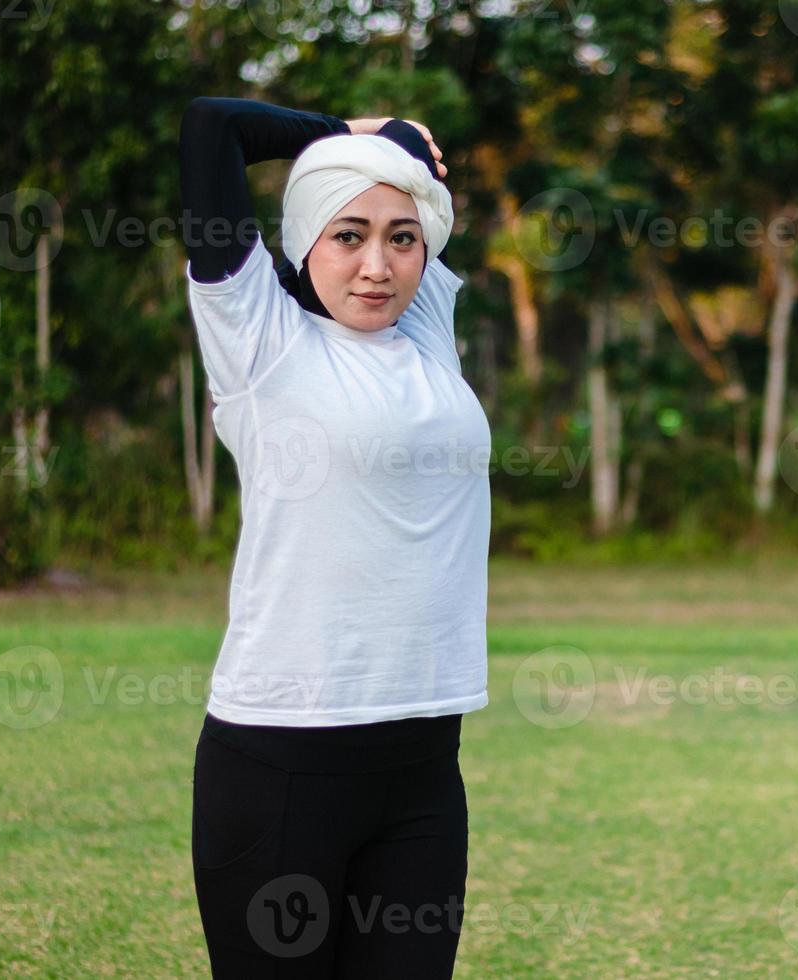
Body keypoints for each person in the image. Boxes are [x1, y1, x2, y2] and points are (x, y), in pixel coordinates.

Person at [178, 96, 491, 978]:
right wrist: (346, 133)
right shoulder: (260, 339)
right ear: (304, 240)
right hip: (282, 768)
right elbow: (212, 128)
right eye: (347, 235)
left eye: (401, 238)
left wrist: (396, 154)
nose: (377, 265)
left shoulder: (423, 327)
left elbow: (420, 171)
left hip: (424, 768)